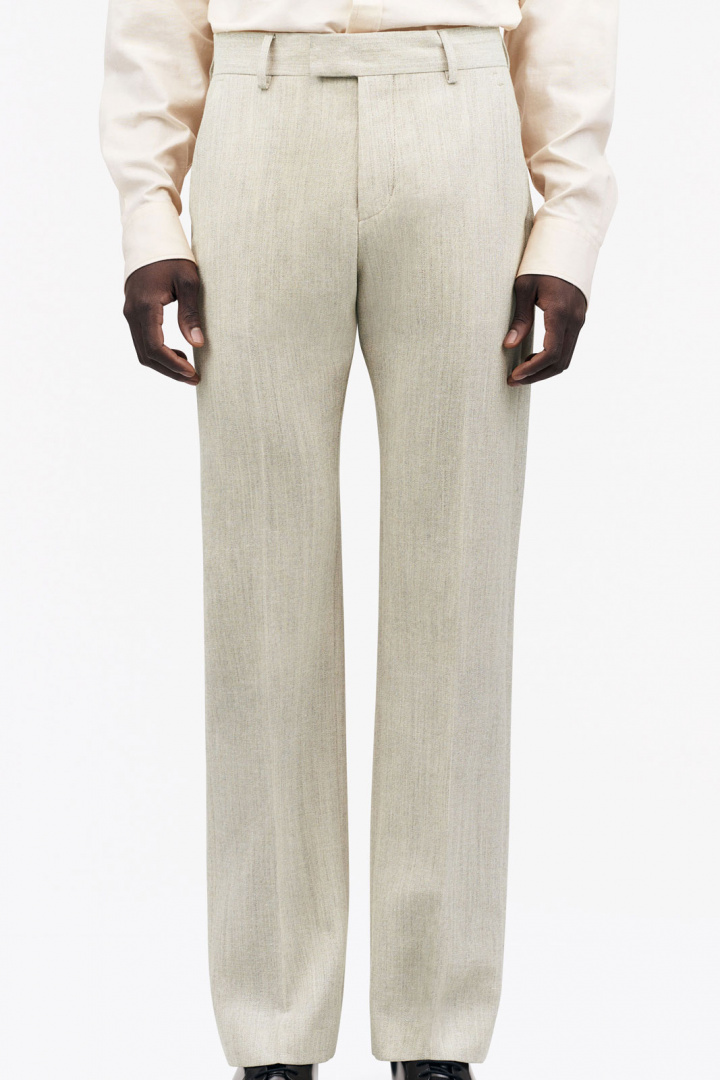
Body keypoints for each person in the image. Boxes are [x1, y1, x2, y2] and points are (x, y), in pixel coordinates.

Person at [99, 2, 618, 1078]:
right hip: (259, 108)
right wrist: (151, 217)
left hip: (460, 105)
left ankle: (436, 1031)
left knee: (458, 589)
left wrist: (567, 224)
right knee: (260, 597)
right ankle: (274, 1029)